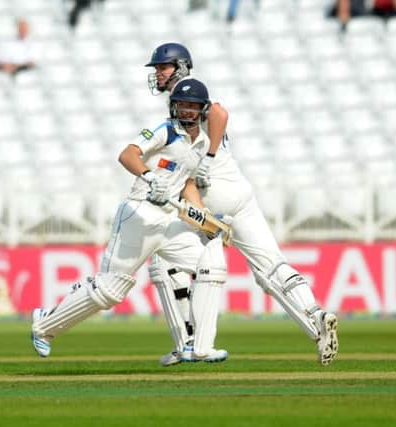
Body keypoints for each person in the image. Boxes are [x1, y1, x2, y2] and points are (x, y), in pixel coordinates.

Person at [145, 42, 339, 367]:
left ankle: (189, 343)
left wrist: (206, 158)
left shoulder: (185, 92)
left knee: (163, 259)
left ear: (180, 66)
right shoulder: (184, 95)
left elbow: (219, 112)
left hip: (211, 196)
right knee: (270, 268)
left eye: (162, 67)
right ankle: (316, 317)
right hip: (240, 192)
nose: (158, 74)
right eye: (157, 69)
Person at [31, 78, 229, 364]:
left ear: (202, 110)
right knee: (110, 291)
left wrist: (204, 220)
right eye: (181, 105)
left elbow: (187, 184)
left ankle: (199, 347)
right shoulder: (165, 131)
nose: (186, 111)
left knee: (209, 262)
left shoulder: (203, 143)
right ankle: (44, 324)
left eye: (192, 107)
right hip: (139, 214)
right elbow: (127, 154)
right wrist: (149, 177)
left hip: (170, 220)